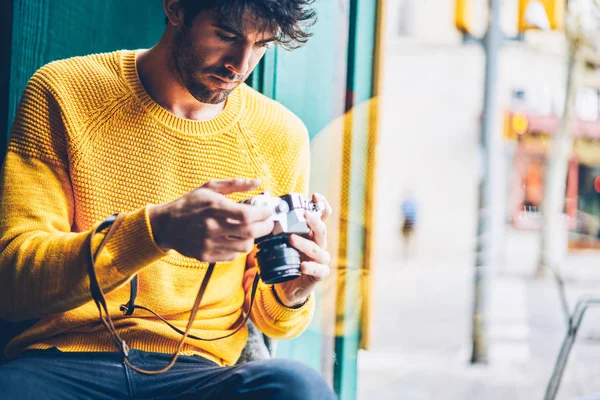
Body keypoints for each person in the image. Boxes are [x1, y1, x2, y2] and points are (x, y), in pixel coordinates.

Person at [0, 0, 336, 399]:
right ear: (176, 8)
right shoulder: (65, 91)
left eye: (262, 44)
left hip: (200, 371)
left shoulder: (281, 134)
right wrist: (156, 231)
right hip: (63, 361)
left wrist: (293, 294)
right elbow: (13, 285)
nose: (240, 65)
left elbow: (274, 319)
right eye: (226, 36)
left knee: (298, 387)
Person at [400, 192, 418, 260]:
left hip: (408, 221)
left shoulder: (408, 203)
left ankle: (408, 251)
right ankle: (407, 251)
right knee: (407, 237)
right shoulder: (410, 204)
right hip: (408, 221)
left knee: (408, 237)